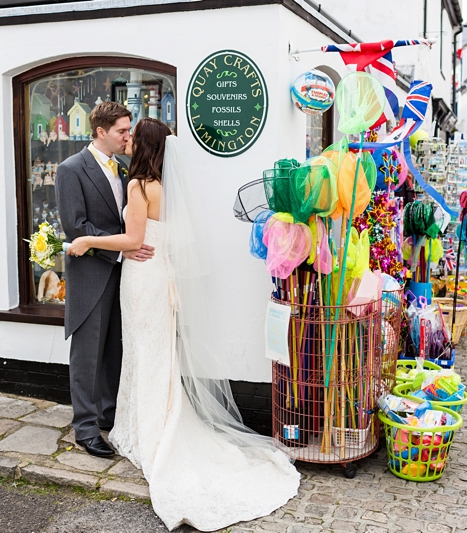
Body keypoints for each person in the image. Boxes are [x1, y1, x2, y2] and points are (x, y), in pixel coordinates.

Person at [66, 119, 299, 531]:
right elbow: (168, 236)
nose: (128, 139)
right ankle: (147, 420)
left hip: (143, 280)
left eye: (133, 135)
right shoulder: (163, 186)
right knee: (153, 352)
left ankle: (150, 430)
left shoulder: (139, 185)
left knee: (145, 350)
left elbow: (134, 240)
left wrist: (87, 241)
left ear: (144, 145)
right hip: (160, 275)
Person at [55, 102, 154, 458]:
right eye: (122, 131)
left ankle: (109, 416)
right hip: (92, 272)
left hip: (125, 276)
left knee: (115, 348)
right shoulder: (70, 170)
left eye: (129, 130)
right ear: (100, 132)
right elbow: (75, 227)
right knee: (87, 353)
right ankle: (84, 428)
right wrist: (122, 250)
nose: (128, 137)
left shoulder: (125, 168)